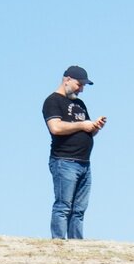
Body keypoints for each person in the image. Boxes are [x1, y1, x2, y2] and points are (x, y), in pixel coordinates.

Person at [43, 65, 107, 239]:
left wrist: (95, 126)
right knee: (63, 206)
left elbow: (87, 129)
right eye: (79, 85)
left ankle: (76, 244)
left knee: (79, 209)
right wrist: (82, 125)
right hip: (64, 161)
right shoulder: (52, 101)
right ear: (67, 80)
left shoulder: (79, 104)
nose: (81, 89)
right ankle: (58, 242)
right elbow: (55, 127)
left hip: (84, 163)